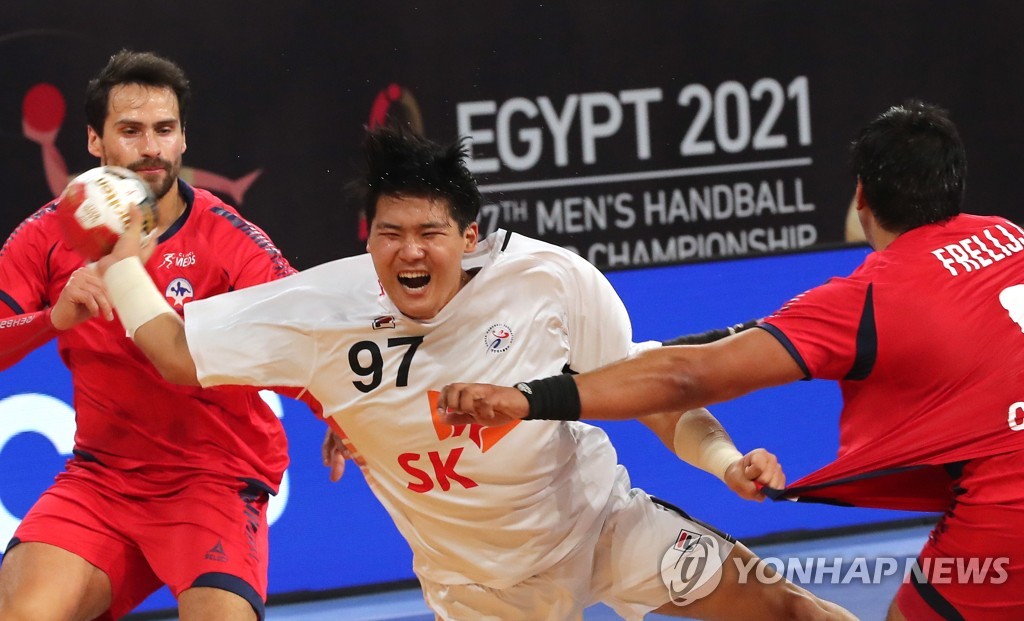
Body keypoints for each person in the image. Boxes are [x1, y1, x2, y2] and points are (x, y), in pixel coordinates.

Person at [94, 126, 854, 620]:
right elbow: (175, 351)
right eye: (390, 234)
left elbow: (650, 390)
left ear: (472, 236)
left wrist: (722, 461)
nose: (410, 252)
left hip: (602, 526)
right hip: (481, 593)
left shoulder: (548, 280)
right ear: (370, 240)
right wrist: (124, 258)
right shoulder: (322, 306)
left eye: (431, 232)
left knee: (785, 608)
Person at [438, 100, 1024, 620]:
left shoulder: (870, 299)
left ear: (862, 198)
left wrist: (527, 397)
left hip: (1007, 505)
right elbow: (705, 349)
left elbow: (691, 376)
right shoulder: (1009, 237)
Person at [0, 50, 295, 620]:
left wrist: (342, 420)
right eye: (130, 131)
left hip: (216, 482)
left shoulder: (231, 239)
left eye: (165, 130)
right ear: (95, 141)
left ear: (184, 139)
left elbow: (307, 334)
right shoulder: (45, 236)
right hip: (101, 480)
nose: (151, 148)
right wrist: (51, 319)